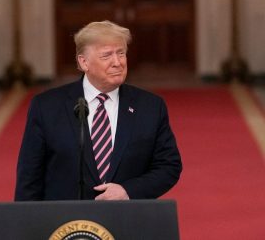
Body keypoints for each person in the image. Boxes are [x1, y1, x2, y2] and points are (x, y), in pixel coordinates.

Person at [15, 20, 182, 201]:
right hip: (65, 224)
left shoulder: (150, 107)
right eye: (106, 56)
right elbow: (29, 177)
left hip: (128, 221)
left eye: (121, 53)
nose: (117, 62)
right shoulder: (47, 107)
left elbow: (169, 166)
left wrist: (129, 191)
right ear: (84, 62)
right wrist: (27, 225)